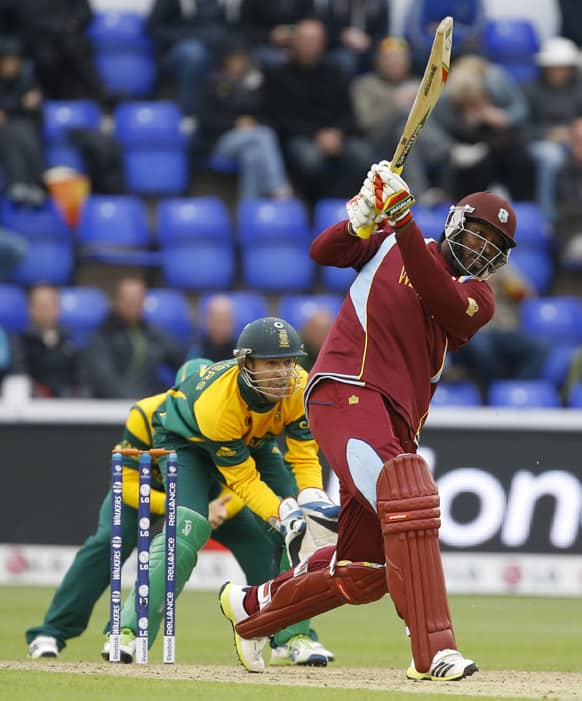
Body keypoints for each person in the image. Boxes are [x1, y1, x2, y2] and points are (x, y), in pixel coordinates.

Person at [218, 161, 519, 681]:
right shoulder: (388, 241)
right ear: (455, 221)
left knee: (363, 573)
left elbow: (437, 296)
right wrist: (358, 220)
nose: (480, 246)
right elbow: (324, 252)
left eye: (494, 243)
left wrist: (399, 221)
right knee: (408, 498)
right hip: (344, 391)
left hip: (395, 424)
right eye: (478, 232)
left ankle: (251, 608)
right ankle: (434, 651)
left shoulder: (478, 300)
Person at [105, 319, 338, 668]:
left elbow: (304, 455)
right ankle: (127, 632)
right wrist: (280, 512)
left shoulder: (299, 388)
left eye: (288, 361)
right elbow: (243, 482)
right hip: (187, 440)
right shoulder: (218, 403)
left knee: (305, 527)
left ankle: (292, 636)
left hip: (252, 440)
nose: (282, 372)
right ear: (247, 364)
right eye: (272, 363)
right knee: (187, 527)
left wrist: (310, 499)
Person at [263, 19, 372, 202]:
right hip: (299, 136)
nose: (310, 45)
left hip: (336, 135)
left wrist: (337, 133)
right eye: (305, 39)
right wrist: (317, 135)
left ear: (323, 43)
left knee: (363, 156)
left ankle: (344, 208)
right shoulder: (277, 74)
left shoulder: (336, 72)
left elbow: (348, 113)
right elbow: (279, 118)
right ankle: (311, 210)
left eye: (315, 40)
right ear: (294, 42)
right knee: (309, 160)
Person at [198, 44, 292, 199]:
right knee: (265, 134)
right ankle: (278, 185)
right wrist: (235, 123)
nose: (239, 63)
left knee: (251, 156)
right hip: (221, 141)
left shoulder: (254, 85)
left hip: (250, 139)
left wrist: (252, 120)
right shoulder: (213, 84)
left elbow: (268, 114)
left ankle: (248, 207)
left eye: (242, 59)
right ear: (226, 61)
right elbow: (206, 120)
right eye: (235, 59)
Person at [82, 277, 184, 399]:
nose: (134, 306)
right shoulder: (102, 335)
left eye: (138, 301)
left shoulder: (153, 332)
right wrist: (133, 401)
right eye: (129, 301)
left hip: (149, 402)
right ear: (116, 301)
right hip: (112, 405)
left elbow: (179, 359)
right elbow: (104, 378)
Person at [524, 36, 582, 221]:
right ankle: (547, 219)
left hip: (576, 141)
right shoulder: (530, 90)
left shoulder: (579, 88)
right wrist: (547, 134)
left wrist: (574, 135)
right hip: (541, 143)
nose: (557, 71)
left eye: (562, 66)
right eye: (553, 66)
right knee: (551, 156)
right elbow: (520, 129)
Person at [0, 36, 46, 206]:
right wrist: (20, 104)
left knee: (24, 132)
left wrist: (10, 108)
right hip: (5, 132)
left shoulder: (26, 80)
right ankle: (18, 183)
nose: (12, 65)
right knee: (11, 132)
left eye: (15, 61)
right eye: (7, 61)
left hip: (25, 128)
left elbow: (34, 106)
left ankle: (35, 184)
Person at [13, 284, 82, 397]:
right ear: (31, 309)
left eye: (51, 305)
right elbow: (20, 374)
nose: (46, 311)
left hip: (69, 403)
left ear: (58, 308)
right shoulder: (20, 341)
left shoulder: (70, 339)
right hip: (34, 404)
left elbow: (81, 376)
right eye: (42, 306)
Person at [187, 294, 238, 363]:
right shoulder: (196, 349)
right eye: (217, 320)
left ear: (233, 321)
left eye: (225, 320)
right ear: (207, 321)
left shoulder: (240, 351)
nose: (220, 326)